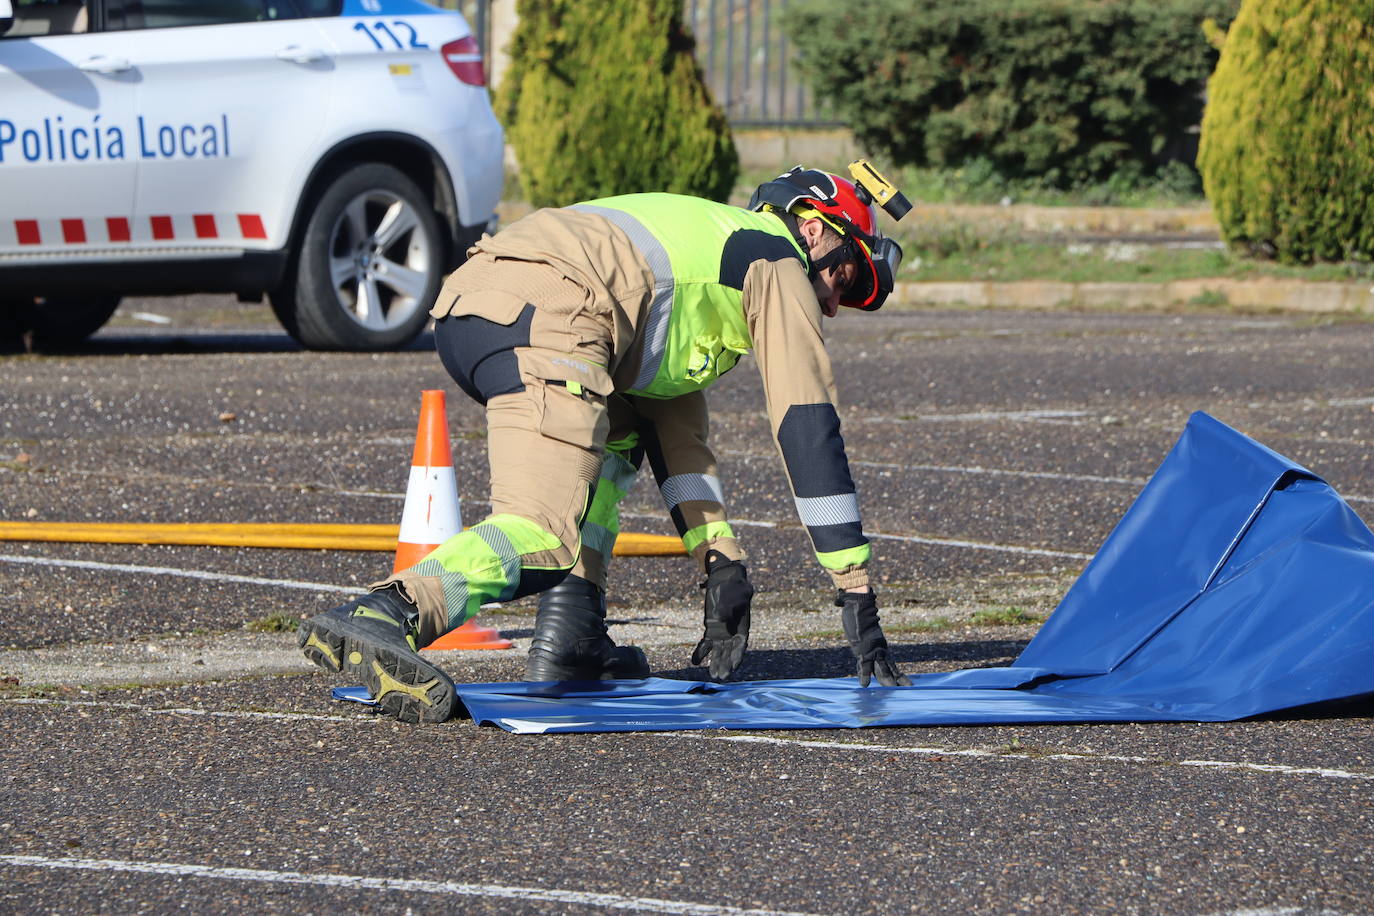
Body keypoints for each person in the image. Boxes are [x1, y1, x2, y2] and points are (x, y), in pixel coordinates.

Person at [298, 163, 914, 723]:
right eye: (845, 272)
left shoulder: (703, 263)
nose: (834, 302)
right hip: (554, 315)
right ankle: (392, 612)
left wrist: (720, 560)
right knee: (540, 531)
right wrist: (854, 588)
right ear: (810, 227)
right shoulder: (776, 261)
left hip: (480, 304)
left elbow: (676, 438)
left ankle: (574, 634)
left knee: (616, 442)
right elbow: (807, 422)